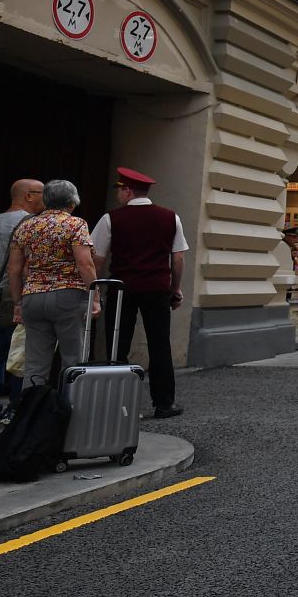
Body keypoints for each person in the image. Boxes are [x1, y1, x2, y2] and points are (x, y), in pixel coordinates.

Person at [92, 167, 187, 418]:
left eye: (120, 191)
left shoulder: (110, 218)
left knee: (117, 344)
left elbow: (97, 258)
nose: (118, 196)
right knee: (159, 344)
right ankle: (164, 402)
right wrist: (175, 288)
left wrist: (94, 289)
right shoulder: (170, 218)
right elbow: (177, 258)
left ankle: (116, 403)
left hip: (122, 288)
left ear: (127, 190)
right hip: (157, 288)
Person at [7, 179, 98, 390]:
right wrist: (95, 297)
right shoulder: (76, 224)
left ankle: (30, 414)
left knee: (35, 364)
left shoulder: (26, 226)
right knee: (73, 360)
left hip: (32, 297)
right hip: (68, 296)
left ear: (46, 200)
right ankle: (70, 412)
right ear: (72, 203)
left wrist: (18, 302)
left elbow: (14, 269)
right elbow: (85, 263)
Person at [0, 178, 44, 424]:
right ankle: (15, 408)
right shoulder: (29, 223)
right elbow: (24, 266)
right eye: (42, 193)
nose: (45, 199)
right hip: (18, 295)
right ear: (28, 196)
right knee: (21, 351)